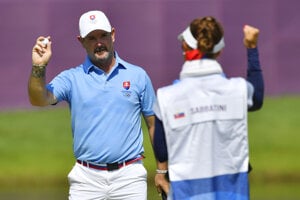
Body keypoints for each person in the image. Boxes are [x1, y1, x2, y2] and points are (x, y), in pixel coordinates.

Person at [28, 10, 156, 200]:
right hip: (86, 179)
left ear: (113, 34)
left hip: (129, 177)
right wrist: (39, 67)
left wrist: (163, 170)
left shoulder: (137, 76)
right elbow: (39, 100)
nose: (99, 43)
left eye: (103, 35)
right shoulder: (71, 78)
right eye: (91, 38)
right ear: (81, 41)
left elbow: (153, 125)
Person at [153, 16, 264, 200]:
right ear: (219, 52)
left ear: (185, 48)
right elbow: (257, 97)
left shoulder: (166, 97)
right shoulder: (238, 89)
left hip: (185, 193)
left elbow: (162, 150)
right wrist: (251, 47)